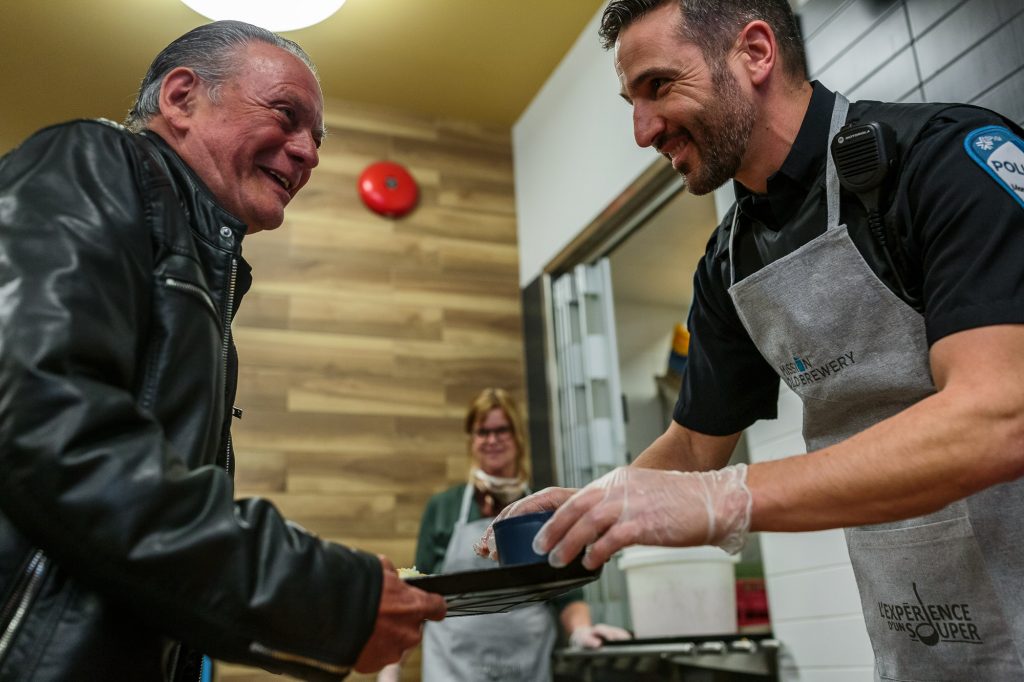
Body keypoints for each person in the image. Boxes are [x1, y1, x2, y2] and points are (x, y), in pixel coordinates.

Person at [477, 0, 1024, 678]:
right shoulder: (729, 262)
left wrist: (728, 500)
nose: (643, 130)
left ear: (756, 52)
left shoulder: (943, 159)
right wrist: (597, 502)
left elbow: (999, 416)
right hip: (920, 645)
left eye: (658, 86)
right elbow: (695, 446)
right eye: (631, 101)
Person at [0, 20, 445, 681]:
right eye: (287, 116)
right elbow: (45, 425)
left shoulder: (205, 272)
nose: (308, 155)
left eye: (316, 141)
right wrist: (330, 598)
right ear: (181, 98)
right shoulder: (89, 159)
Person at [379, 388, 629, 682]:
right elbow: (421, 595)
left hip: (527, 668)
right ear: (471, 441)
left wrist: (581, 631)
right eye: (483, 432)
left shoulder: (544, 507)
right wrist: (392, 666)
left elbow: (568, 595)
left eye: (502, 430)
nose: (492, 440)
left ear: (517, 437)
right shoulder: (444, 508)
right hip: (452, 669)